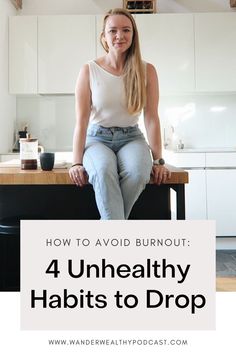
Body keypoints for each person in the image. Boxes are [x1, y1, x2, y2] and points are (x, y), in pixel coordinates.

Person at [69, 8, 171, 220]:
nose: (119, 36)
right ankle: (119, 235)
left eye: (126, 30)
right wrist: (76, 162)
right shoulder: (89, 70)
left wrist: (159, 160)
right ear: (104, 36)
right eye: (112, 30)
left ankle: (109, 232)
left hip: (131, 137)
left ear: (133, 35)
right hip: (97, 138)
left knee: (138, 173)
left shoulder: (147, 70)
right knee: (103, 171)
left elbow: (151, 117)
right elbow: (81, 121)